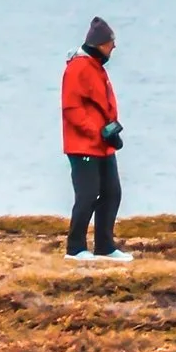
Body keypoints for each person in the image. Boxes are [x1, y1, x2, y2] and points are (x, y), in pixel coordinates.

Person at [62, 15, 126, 260]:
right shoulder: (78, 68)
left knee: (112, 192)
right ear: (100, 44)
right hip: (83, 146)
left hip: (103, 145)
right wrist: (97, 132)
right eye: (111, 42)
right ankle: (75, 248)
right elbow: (72, 109)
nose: (114, 46)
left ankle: (105, 246)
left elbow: (102, 105)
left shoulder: (96, 67)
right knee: (87, 195)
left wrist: (110, 133)